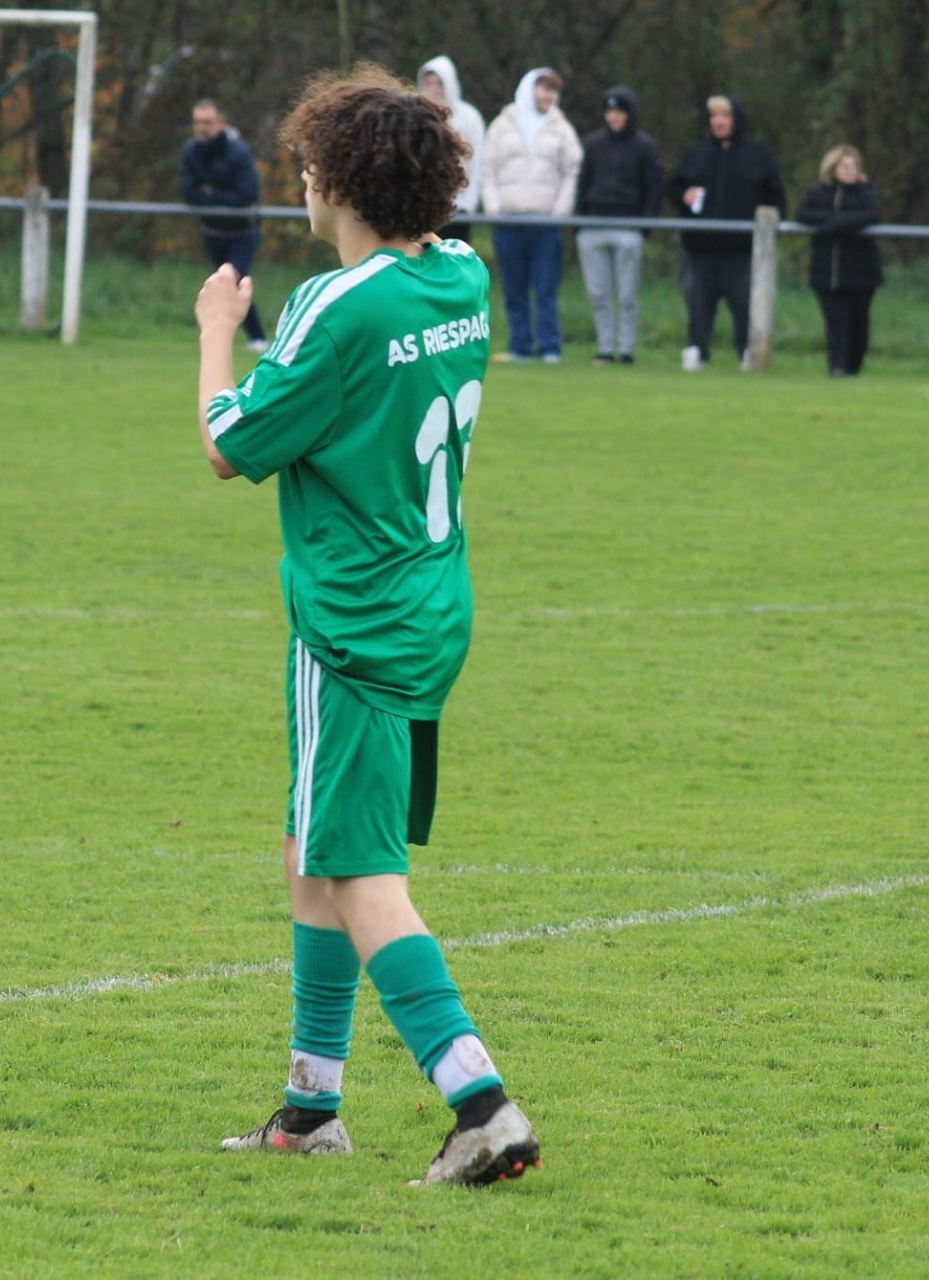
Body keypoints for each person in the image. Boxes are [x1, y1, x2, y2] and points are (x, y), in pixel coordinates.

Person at [194, 66, 539, 1186]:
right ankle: (310, 1106)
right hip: (433, 600)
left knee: (356, 869)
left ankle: (481, 1101)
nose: (299, 181)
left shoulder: (338, 306)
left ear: (336, 180)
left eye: (307, 165)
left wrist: (216, 332)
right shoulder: (461, 276)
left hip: (354, 619)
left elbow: (230, 441)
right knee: (312, 846)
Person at [667, 94, 786, 371]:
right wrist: (683, 195)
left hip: (742, 253)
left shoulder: (758, 157)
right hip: (699, 251)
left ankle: (748, 355)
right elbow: (674, 188)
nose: (718, 122)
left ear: (737, 120)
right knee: (697, 307)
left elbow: (776, 200)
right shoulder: (696, 154)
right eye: (714, 116)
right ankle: (696, 352)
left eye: (725, 116)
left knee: (744, 307)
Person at [482, 67, 581, 362]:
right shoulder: (502, 125)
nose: (549, 96)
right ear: (530, 89)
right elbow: (487, 169)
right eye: (544, 89)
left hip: (545, 222)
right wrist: (494, 209)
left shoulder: (562, 128)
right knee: (514, 289)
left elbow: (572, 169)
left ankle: (550, 347)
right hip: (508, 221)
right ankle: (520, 346)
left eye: (554, 91)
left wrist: (560, 211)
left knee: (546, 288)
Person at [575, 86, 662, 365]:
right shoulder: (594, 144)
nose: (613, 117)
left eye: (619, 112)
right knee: (598, 292)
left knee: (627, 294)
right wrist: (579, 221)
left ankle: (626, 349)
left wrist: (644, 225)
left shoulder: (645, 147)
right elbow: (583, 182)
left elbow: (653, 188)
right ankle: (604, 347)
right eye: (609, 111)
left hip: (628, 226)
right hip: (593, 225)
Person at [181, 99, 268, 352]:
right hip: (212, 231)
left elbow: (246, 194)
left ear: (220, 122)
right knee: (227, 282)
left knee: (232, 280)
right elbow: (188, 191)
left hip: (242, 232)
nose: (202, 128)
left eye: (207, 122)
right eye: (197, 122)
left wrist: (210, 194)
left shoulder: (238, 152)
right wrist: (214, 197)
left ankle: (256, 338)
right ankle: (255, 338)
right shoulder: (191, 151)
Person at [794, 145, 882, 377]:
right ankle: (837, 367)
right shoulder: (818, 193)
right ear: (832, 169)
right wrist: (834, 222)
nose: (851, 170)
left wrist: (834, 225)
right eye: (845, 166)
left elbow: (871, 214)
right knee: (836, 320)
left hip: (862, 271)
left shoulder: (865, 193)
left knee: (859, 322)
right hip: (827, 272)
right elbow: (803, 214)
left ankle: (854, 368)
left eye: (854, 166)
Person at [418, 56, 486, 241]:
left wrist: (469, 204)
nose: (434, 88)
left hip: (458, 208)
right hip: (422, 207)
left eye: (439, 83)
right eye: (429, 83)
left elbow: (477, 161)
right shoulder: (415, 116)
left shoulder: (469, 117)